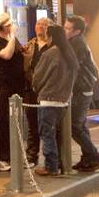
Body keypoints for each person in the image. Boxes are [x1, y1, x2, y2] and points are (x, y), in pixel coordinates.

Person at [31, 24, 78, 176]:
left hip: (49, 98)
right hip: (63, 100)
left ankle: (51, 166)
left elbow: (38, 77)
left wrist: (36, 88)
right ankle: (58, 163)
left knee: (47, 133)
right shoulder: (69, 53)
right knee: (55, 133)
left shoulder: (50, 54)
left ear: (51, 37)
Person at [65, 15, 99, 172]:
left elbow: (73, 66)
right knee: (80, 125)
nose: (65, 30)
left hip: (81, 90)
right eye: (64, 26)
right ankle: (88, 158)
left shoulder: (77, 44)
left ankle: (95, 156)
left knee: (74, 126)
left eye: (68, 28)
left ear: (77, 31)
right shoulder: (75, 42)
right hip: (84, 89)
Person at [0, 12, 26, 172]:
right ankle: (0, 157)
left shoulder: (11, 40)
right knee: (3, 118)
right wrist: (12, 38)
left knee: (14, 119)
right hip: (0, 83)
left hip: (15, 84)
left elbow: (17, 54)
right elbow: (6, 55)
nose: (12, 26)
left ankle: (13, 155)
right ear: (3, 26)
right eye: (9, 24)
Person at [22, 16, 52, 166]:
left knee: (47, 124)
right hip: (31, 89)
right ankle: (31, 155)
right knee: (32, 123)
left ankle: (52, 157)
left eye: (44, 24)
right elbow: (25, 66)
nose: (40, 27)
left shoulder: (53, 45)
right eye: (38, 24)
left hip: (48, 89)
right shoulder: (29, 45)